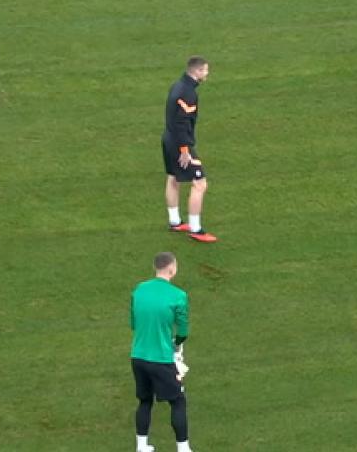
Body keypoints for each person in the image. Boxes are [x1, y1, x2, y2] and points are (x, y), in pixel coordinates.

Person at [131, 252, 194, 452]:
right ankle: (183, 448)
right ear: (171, 269)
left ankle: (142, 446)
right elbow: (183, 331)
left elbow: (134, 323)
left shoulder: (139, 290)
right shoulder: (178, 295)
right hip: (162, 359)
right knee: (177, 400)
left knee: (145, 400)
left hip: (138, 356)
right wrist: (176, 343)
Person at [162, 56, 216, 243]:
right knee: (200, 183)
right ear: (197, 71)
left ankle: (175, 221)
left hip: (168, 139)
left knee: (173, 178)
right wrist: (184, 150)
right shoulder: (188, 93)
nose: (207, 74)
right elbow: (182, 122)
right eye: (206, 70)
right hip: (179, 143)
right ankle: (196, 228)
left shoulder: (177, 85)